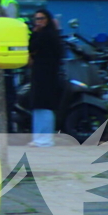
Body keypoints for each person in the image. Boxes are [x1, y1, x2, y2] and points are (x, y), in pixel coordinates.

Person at [28, 8, 64, 147]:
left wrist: (34, 33)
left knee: (43, 105)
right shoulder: (51, 34)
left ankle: (44, 139)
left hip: (46, 74)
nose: (38, 22)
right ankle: (40, 138)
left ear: (47, 20)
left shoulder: (46, 35)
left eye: (41, 19)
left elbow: (32, 47)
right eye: (36, 19)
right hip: (42, 73)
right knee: (39, 106)